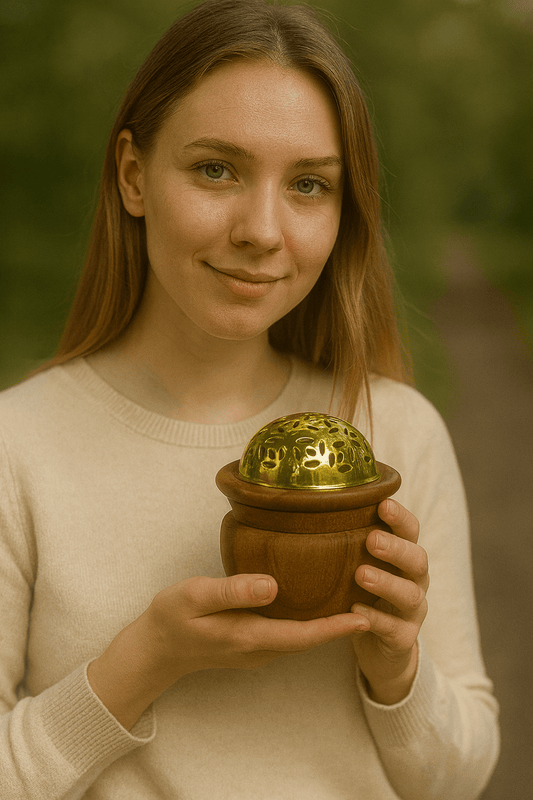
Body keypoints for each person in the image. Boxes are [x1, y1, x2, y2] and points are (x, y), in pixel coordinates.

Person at [0, 0, 499, 797]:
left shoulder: (394, 433)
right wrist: (143, 663)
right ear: (133, 176)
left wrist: (396, 670)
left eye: (308, 185)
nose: (261, 230)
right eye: (215, 169)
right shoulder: (17, 447)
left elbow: (459, 775)